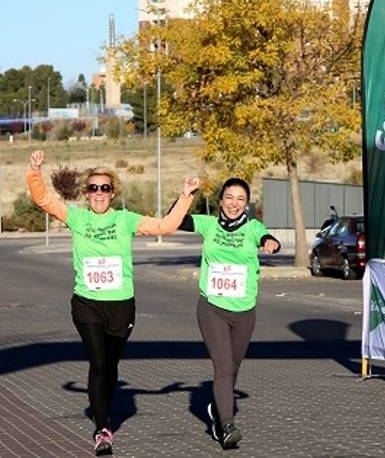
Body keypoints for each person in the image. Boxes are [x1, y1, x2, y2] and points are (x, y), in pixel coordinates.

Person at [26, 150, 199, 456]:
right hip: (87, 302)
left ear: (112, 192)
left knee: (111, 366)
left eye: (105, 188)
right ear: (86, 193)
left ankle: (103, 406)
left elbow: (166, 226)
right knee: (98, 363)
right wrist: (35, 170)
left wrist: (185, 196)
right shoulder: (76, 217)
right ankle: (102, 427)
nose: (99, 194)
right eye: (93, 188)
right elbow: (44, 201)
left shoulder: (125, 219)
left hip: (121, 304)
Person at [175, 177, 280, 449]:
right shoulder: (208, 224)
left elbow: (265, 236)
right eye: (230, 197)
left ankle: (217, 411)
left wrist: (270, 242)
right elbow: (176, 220)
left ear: (247, 205)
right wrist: (184, 195)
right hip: (212, 307)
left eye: (241, 199)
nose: (234, 203)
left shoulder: (253, 227)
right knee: (222, 367)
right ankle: (228, 425)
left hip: (244, 311)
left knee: (232, 369)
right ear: (221, 199)